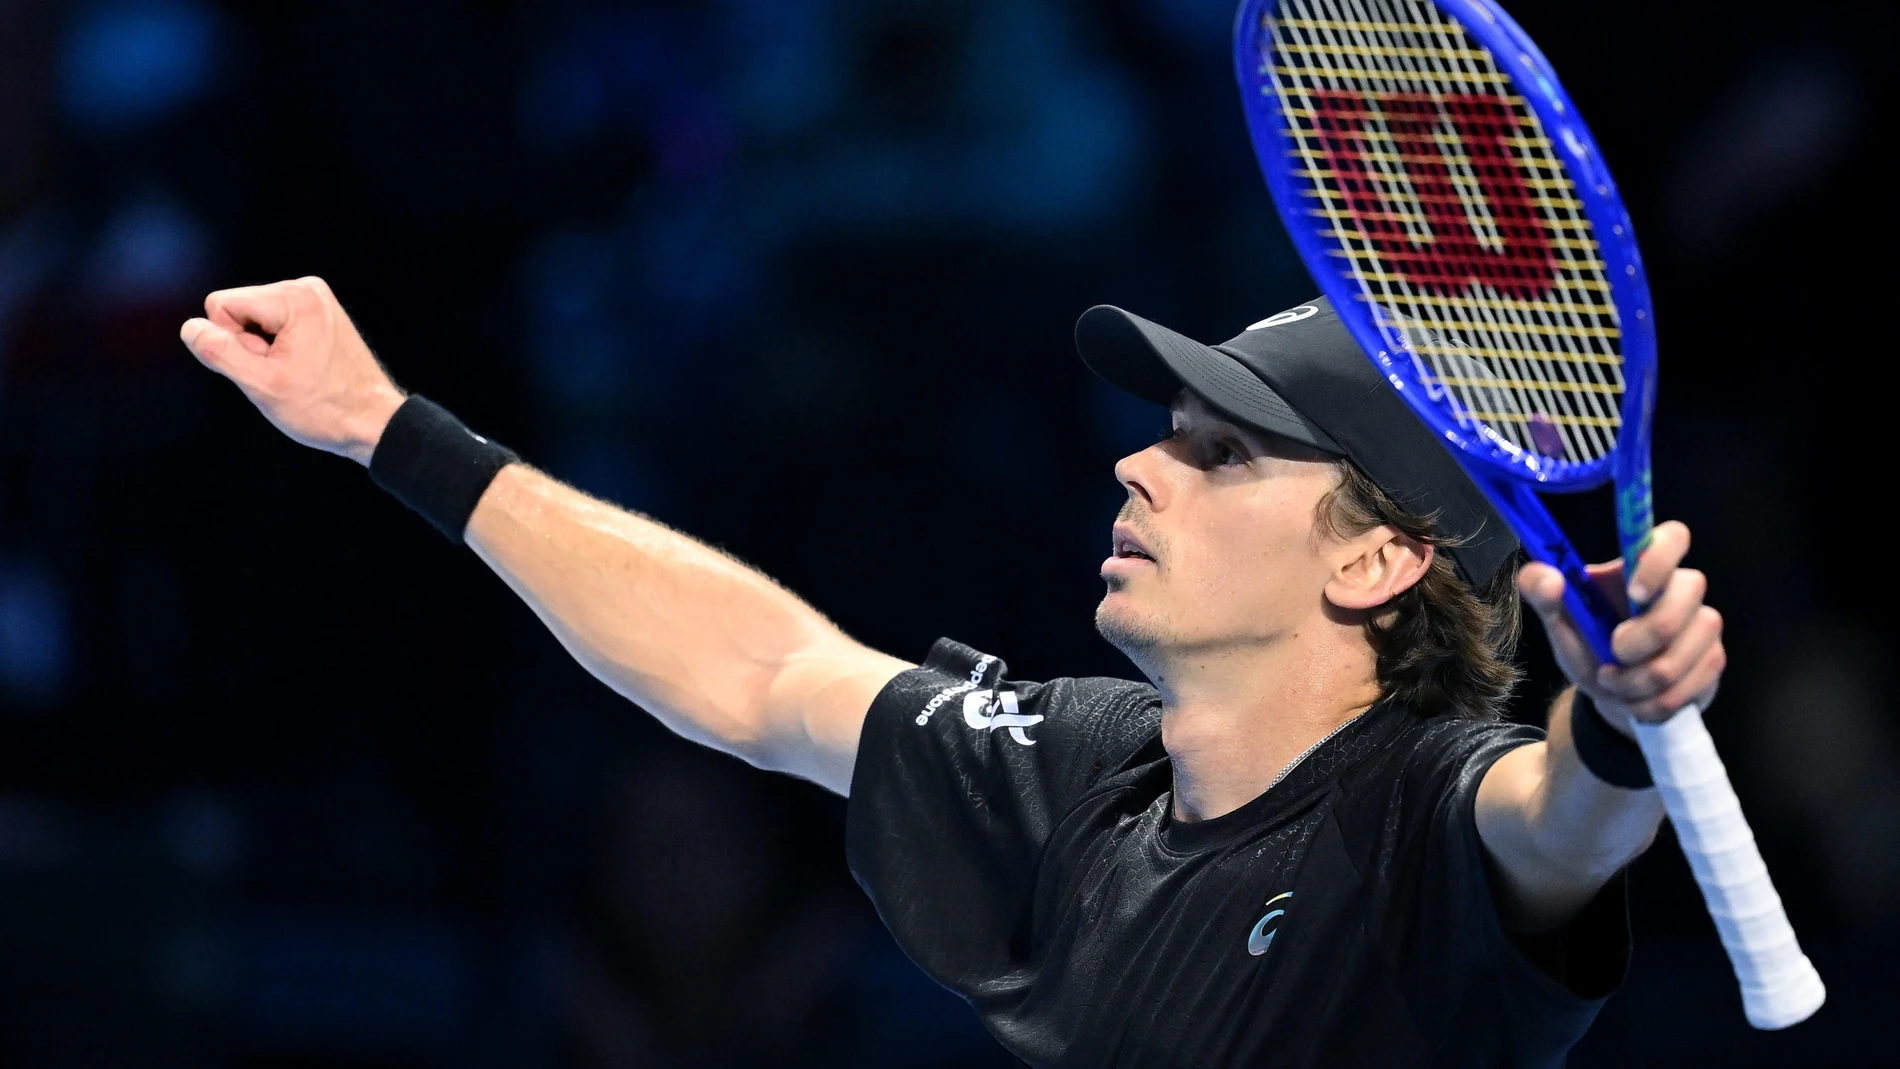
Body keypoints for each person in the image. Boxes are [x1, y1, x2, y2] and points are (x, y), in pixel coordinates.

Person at [179, 278, 1723, 1068]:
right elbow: (762, 667)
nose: (1138, 466)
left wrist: (1622, 721)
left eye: (1221, 454)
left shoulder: (1425, 808)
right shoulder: (1081, 766)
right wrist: (388, 428)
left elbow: (1563, 824)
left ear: (1373, 562)